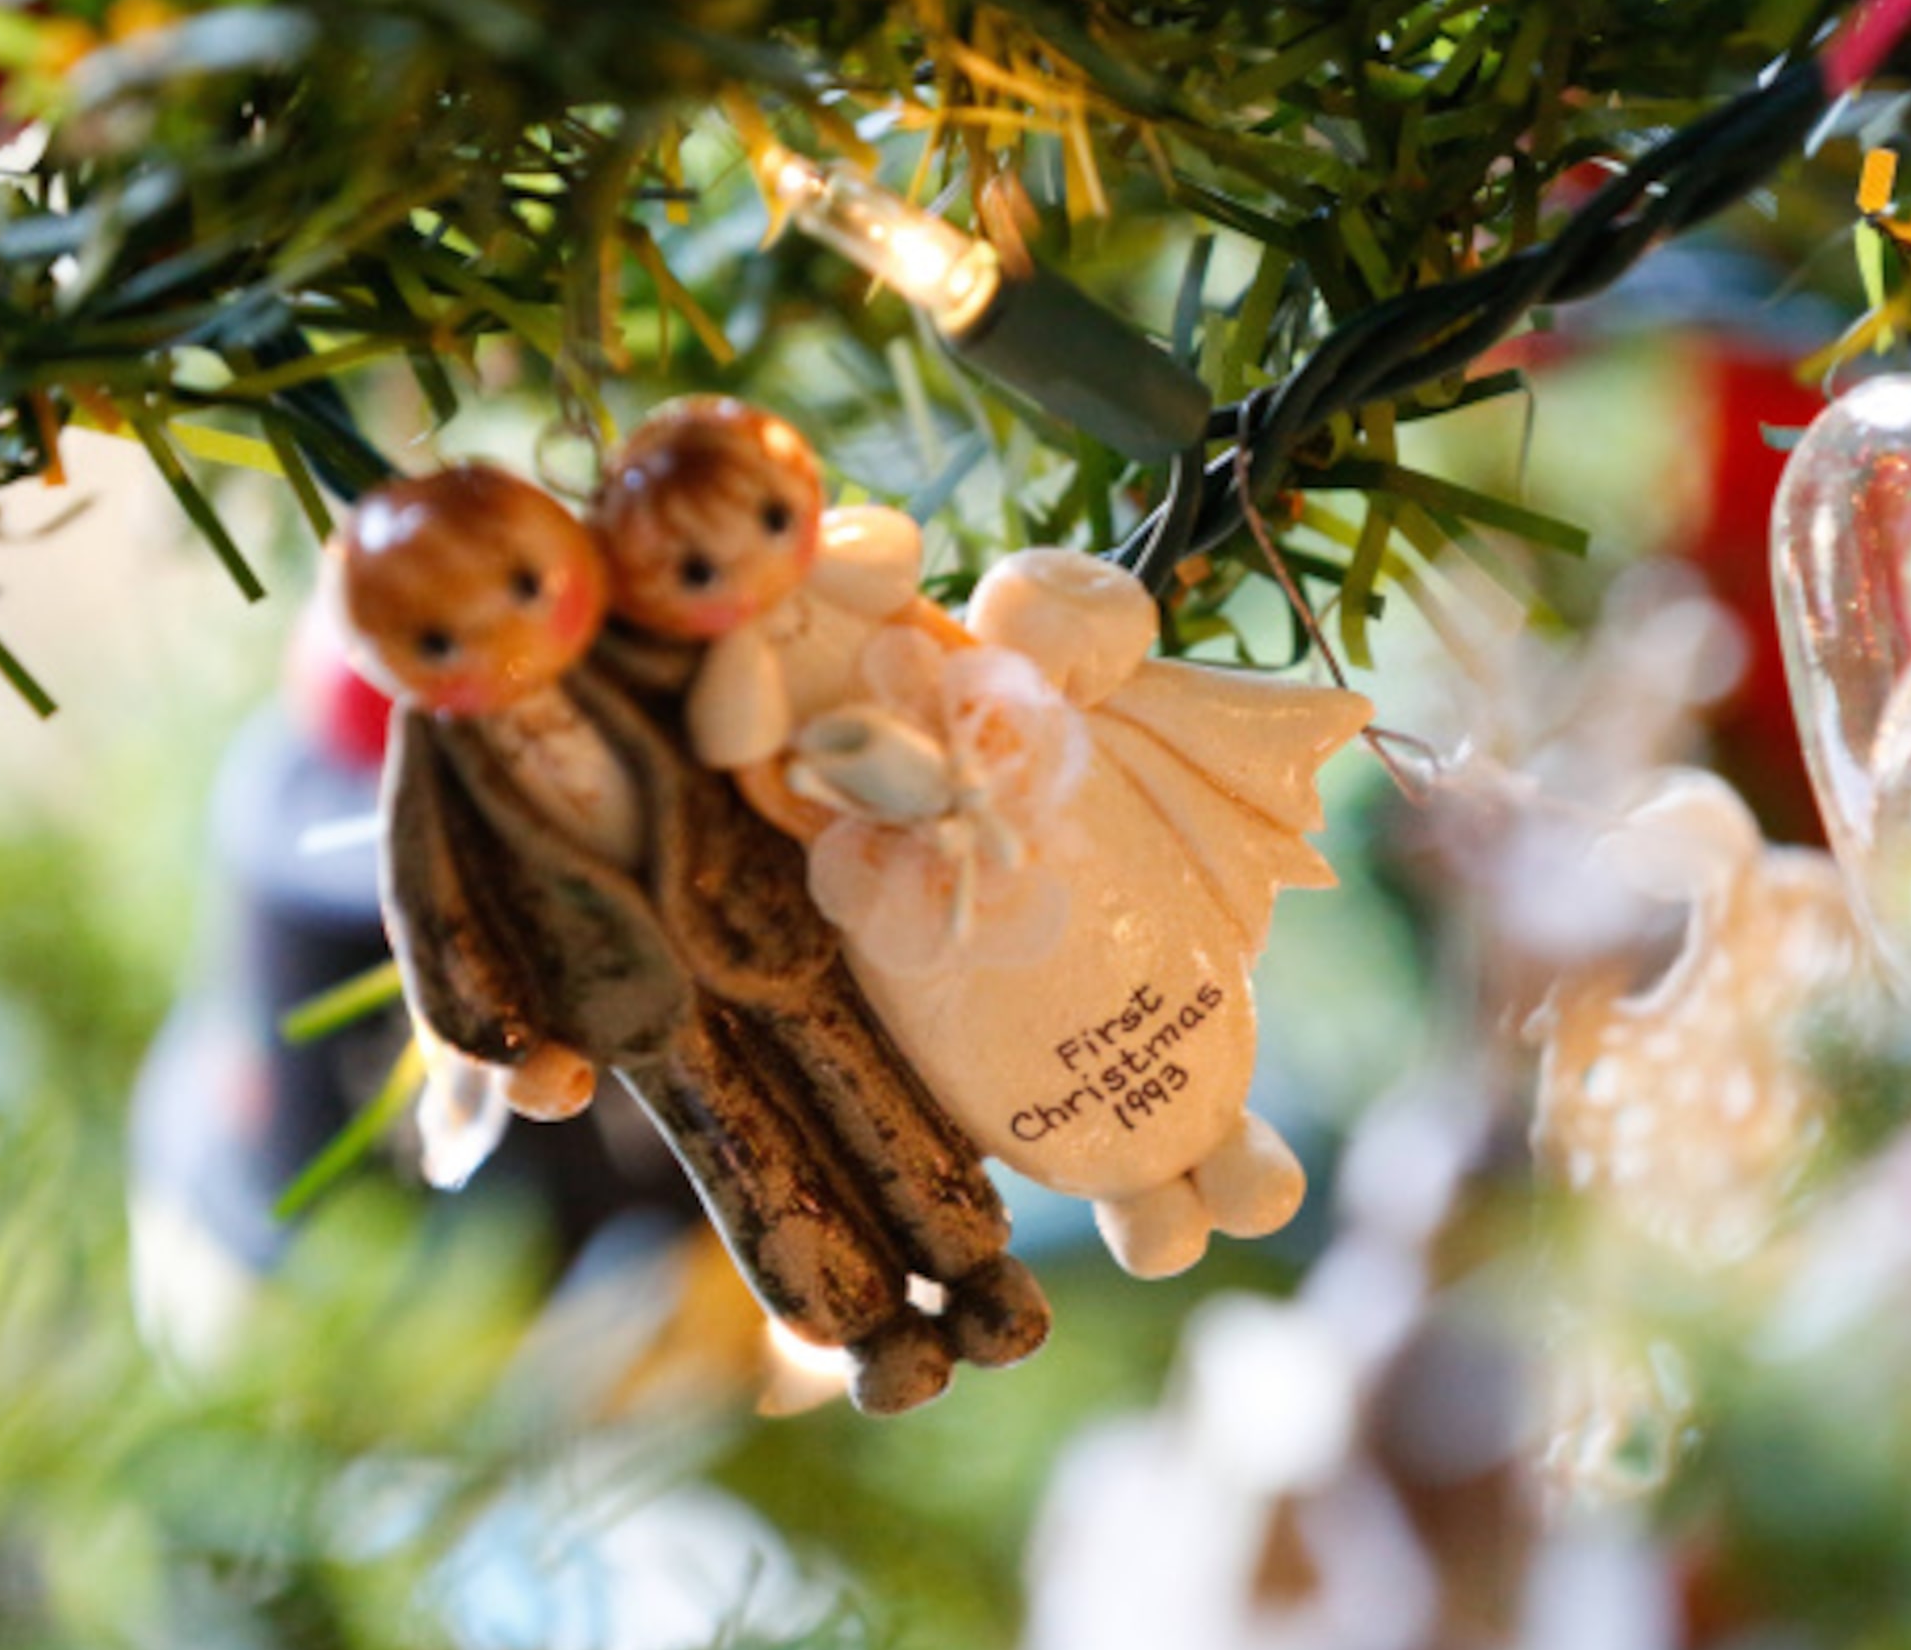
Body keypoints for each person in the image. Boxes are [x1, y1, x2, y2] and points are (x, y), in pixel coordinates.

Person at [595, 399, 1372, 1278]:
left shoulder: (847, 570)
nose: (751, 565)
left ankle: (1223, 1130)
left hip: (1011, 771)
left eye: (771, 521)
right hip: (889, 868)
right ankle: (1129, 1186)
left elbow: (893, 560)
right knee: (986, 1013)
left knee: (1105, 878)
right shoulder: (740, 669)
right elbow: (740, 747)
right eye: (701, 570)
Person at [333, 462, 1048, 1413]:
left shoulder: (639, 652)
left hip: (754, 909)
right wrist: (507, 1039)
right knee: (742, 1158)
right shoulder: (436, 782)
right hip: (624, 990)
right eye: (437, 637)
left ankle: (971, 1262)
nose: (502, 636)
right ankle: (863, 1325)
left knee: (864, 1084)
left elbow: (742, 686)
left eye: (521, 587)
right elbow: (439, 913)